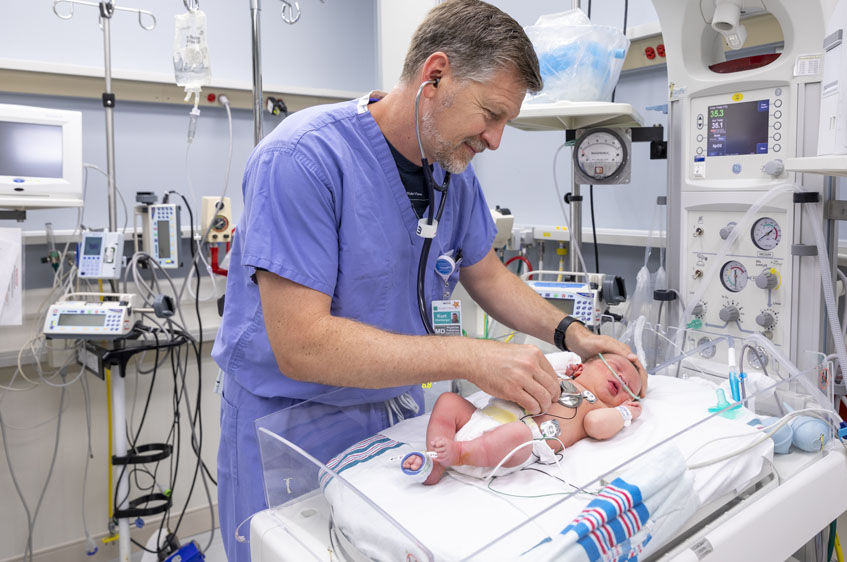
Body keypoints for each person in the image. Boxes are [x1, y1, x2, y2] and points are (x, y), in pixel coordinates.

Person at [210, 1, 641, 561]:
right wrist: (470, 356)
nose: (495, 140)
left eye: (506, 121)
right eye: (491, 114)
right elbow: (303, 344)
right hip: (291, 426)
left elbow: (484, 272)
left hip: (395, 417)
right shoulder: (304, 159)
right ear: (435, 75)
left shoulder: (451, 173)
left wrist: (572, 333)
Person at [402, 352, 647, 485]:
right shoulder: (561, 373)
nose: (622, 378)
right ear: (583, 366)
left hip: (512, 450)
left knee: (518, 434)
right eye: (615, 366)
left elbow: (597, 427)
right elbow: (532, 360)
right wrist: (569, 358)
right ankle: (434, 462)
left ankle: (459, 453)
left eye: (629, 388)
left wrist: (625, 413)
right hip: (482, 418)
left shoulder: (598, 409)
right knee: (448, 401)